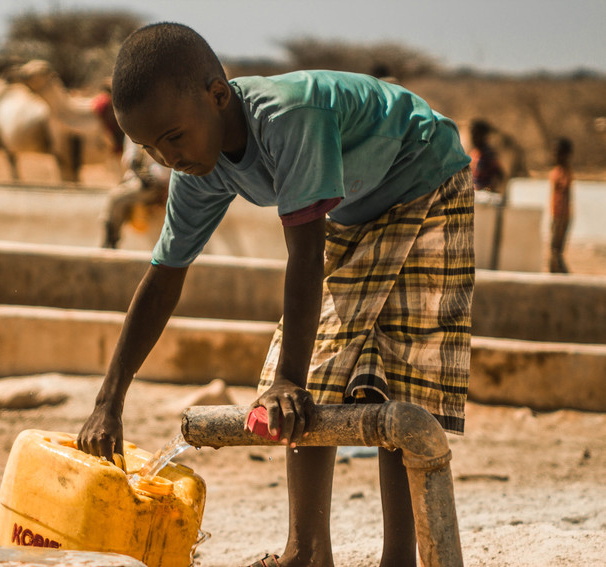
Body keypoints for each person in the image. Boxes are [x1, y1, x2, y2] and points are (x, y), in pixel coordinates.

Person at [77, 22, 474, 567]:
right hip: (355, 208)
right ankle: (308, 552)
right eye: (148, 148)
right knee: (309, 381)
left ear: (218, 96)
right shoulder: (198, 167)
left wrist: (290, 373)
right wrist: (109, 400)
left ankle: (399, 557)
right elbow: (164, 275)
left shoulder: (288, 118)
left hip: (426, 174)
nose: (166, 158)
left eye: (172, 138)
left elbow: (306, 254)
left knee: (403, 374)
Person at [101, 136, 170, 249]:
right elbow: (131, 158)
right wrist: (144, 177)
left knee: (116, 198)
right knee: (117, 197)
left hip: (167, 181)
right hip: (147, 182)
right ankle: (111, 240)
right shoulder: (135, 126)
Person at [549, 137, 574, 273]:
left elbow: (565, 193)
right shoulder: (557, 170)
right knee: (554, 249)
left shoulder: (565, 172)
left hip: (561, 215)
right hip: (556, 214)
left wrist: (561, 217)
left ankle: (562, 275)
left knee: (555, 249)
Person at [468, 119, 505, 194]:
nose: (473, 137)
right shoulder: (473, 153)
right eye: (472, 134)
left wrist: (491, 187)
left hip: (484, 195)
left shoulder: (488, 154)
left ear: (484, 136)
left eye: (476, 134)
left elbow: (499, 174)